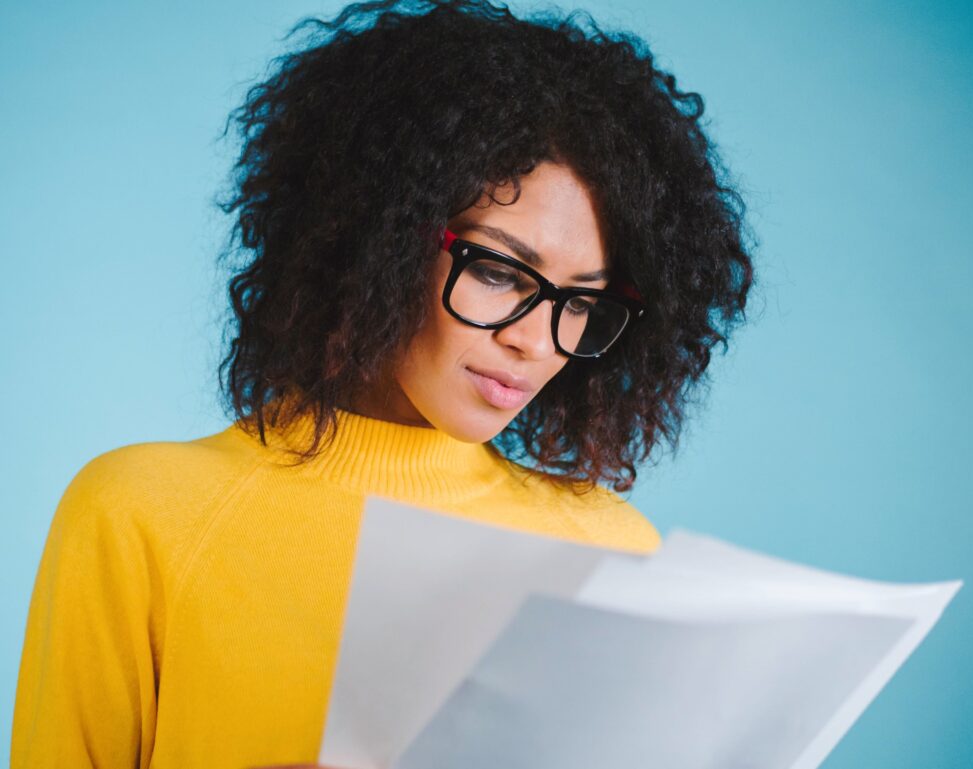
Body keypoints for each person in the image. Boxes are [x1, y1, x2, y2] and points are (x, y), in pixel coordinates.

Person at [10, 0, 754, 766]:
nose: (533, 340)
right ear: (377, 238)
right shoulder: (142, 515)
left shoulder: (612, 549)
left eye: (580, 301)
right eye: (498, 269)